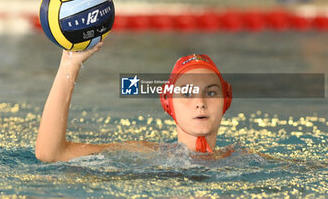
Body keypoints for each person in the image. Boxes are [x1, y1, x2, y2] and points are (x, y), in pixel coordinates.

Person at [35, 42, 233, 163]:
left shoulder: (240, 159)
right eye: (186, 94)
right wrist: (70, 65)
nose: (200, 102)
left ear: (226, 99)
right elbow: (51, 153)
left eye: (211, 93)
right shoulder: (144, 154)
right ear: (168, 103)